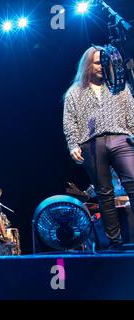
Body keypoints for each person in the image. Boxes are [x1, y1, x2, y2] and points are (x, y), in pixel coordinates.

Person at [63, 45, 134, 249]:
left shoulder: (119, 86)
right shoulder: (75, 92)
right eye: (96, 63)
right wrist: (72, 144)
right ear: (88, 65)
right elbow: (70, 121)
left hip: (121, 138)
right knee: (104, 193)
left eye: (104, 62)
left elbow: (131, 111)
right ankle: (115, 242)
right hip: (91, 143)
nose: (102, 66)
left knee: (133, 183)